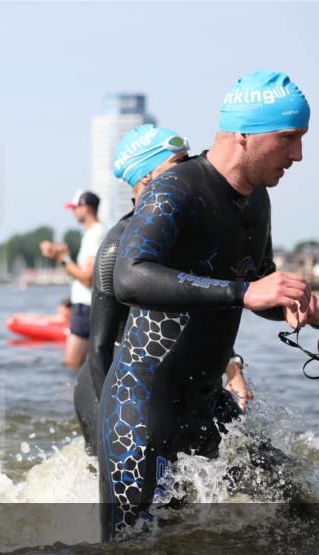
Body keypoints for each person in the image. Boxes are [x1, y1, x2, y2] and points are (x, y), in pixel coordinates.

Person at [99, 70, 319, 538]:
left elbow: (253, 281)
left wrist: (284, 306)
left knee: (309, 519)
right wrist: (243, 293)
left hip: (207, 408)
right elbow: (129, 276)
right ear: (244, 133)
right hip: (142, 411)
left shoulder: (256, 200)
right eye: (288, 138)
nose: (298, 155)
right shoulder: (174, 189)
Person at [72, 125, 254, 455]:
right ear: (146, 176)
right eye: (178, 162)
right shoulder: (117, 247)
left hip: (175, 381)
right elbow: (99, 348)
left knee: (256, 458)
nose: (190, 169)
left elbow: (204, 311)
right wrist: (113, 423)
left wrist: (233, 368)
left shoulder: (188, 234)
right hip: (111, 383)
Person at [41, 191, 105, 368]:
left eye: (75, 208)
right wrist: (61, 257)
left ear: (86, 208)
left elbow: (87, 278)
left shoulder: (95, 234)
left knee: (72, 364)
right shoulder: (93, 233)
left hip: (86, 308)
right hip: (86, 306)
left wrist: (63, 258)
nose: (73, 212)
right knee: (84, 365)